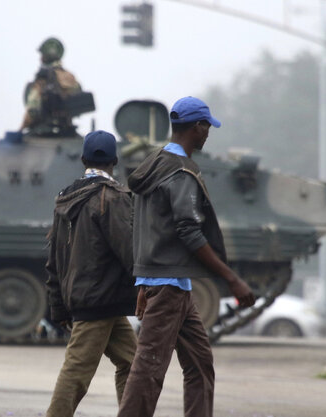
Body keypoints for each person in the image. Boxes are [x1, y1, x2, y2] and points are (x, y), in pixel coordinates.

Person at [117, 97, 256, 417]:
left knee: (200, 364)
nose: (208, 133)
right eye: (206, 126)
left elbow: (143, 226)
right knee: (149, 369)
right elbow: (189, 232)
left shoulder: (154, 163)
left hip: (171, 282)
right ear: (196, 127)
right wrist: (232, 279)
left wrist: (143, 279)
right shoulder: (180, 172)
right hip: (168, 286)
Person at [44, 130, 137, 417]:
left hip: (91, 299)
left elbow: (55, 257)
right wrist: (152, 286)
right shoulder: (112, 197)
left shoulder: (65, 198)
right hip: (100, 300)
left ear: (83, 159)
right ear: (116, 160)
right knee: (77, 373)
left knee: (133, 363)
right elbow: (131, 252)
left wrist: (58, 305)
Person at [21, 37, 82, 137]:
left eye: (42, 55)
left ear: (46, 56)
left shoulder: (42, 80)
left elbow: (33, 109)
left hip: (42, 133)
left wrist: (22, 128)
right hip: (68, 132)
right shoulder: (70, 77)